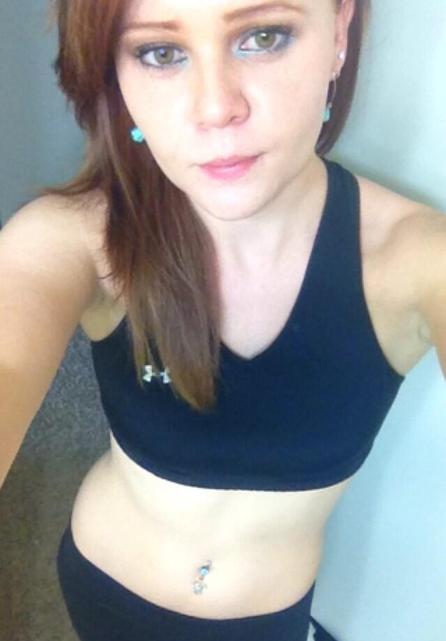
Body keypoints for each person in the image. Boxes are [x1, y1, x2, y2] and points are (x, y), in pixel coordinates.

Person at [1, 0, 445, 640]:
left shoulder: (420, 258)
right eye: (160, 52)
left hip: (267, 623)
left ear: (339, 32)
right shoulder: (78, 238)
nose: (215, 109)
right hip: (104, 584)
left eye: (263, 37)